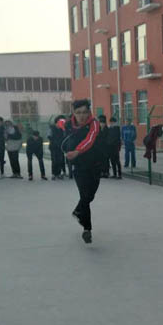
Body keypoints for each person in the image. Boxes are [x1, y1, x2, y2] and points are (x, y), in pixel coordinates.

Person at [62, 100, 106, 244]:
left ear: (89, 112)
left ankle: (77, 211)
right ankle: (87, 229)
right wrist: (68, 152)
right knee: (84, 195)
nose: (82, 116)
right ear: (73, 113)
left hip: (95, 165)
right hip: (79, 167)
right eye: (78, 112)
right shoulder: (68, 125)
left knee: (90, 196)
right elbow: (63, 140)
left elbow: (90, 139)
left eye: (85, 112)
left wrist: (77, 151)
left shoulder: (94, 123)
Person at [48, 115, 66, 180]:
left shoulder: (62, 128)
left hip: (60, 147)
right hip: (53, 147)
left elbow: (65, 136)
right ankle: (54, 174)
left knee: (60, 160)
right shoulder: (52, 128)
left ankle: (58, 173)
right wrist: (55, 141)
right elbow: (49, 136)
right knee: (54, 160)